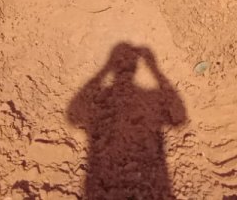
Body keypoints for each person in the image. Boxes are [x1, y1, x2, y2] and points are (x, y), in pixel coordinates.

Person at [66, 43, 187, 199]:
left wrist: (105, 69)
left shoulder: (108, 91)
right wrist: (155, 70)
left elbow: (73, 115)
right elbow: (180, 117)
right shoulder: (150, 95)